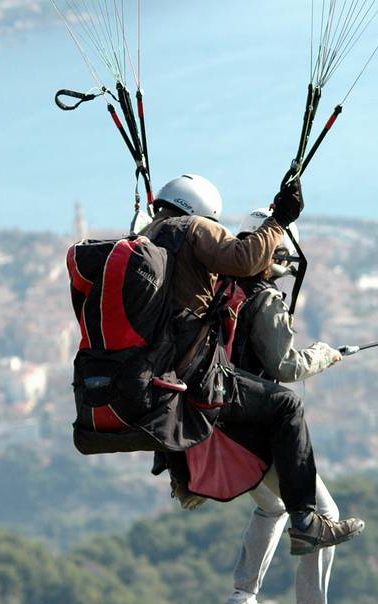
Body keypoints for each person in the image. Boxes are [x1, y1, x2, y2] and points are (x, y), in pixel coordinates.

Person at [141, 174, 364, 558]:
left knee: (270, 505)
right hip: (197, 378)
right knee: (287, 405)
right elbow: (246, 262)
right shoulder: (194, 232)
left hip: (155, 378)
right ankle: (307, 528)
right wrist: (280, 220)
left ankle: (245, 596)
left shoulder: (145, 239)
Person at [218, 209, 353, 604]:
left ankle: (243, 597)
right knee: (323, 514)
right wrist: (325, 354)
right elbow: (285, 367)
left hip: (213, 420)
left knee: (271, 504)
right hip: (257, 423)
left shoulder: (220, 286)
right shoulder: (264, 298)